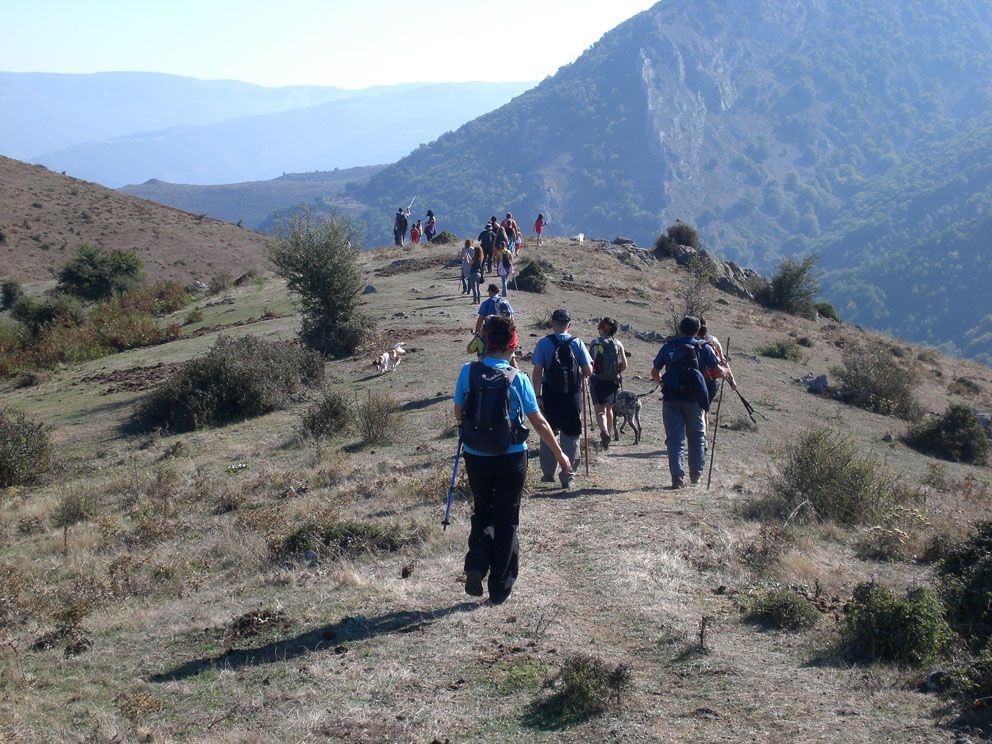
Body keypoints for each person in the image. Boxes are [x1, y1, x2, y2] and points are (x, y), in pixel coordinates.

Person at [454, 314, 572, 605]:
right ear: (513, 344)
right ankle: (499, 588)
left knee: (482, 511)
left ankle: (476, 565)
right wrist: (560, 455)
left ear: (485, 342)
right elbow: (539, 422)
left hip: (476, 455)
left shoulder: (467, 372)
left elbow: (458, 414)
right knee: (506, 519)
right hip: (511, 457)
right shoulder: (517, 378)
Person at [651, 316, 729, 488]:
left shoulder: (669, 346)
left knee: (675, 439)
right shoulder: (704, 347)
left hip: (671, 398)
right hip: (695, 399)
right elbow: (717, 372)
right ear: (697, 330)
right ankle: (696, 475)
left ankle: (677, 478)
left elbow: (655, 371)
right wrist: (724, 369)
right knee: (697, 437)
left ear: (680, 328)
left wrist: (663, 384)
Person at [531, 309, 593, 489]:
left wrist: (537, 396)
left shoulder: (544, 343)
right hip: (572, 397)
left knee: (549, 432)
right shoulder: (577, 343)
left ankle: (548, 473)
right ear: (569, 325)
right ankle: (568, 476)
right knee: (571, 436)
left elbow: (537, 372)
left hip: (551, 395)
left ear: (552, 324)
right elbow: (588, 371)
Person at [589, 317, 627, 450]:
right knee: (609, 408)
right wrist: (616, 371)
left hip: (597, 380)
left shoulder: (595, 342)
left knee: (599, 411)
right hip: (612, 381)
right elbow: (624, 365)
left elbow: (590, 363)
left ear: (602, 328)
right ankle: (608, 436)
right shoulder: (618, 343)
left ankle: (604, 431)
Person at [697, 318, 737, 404]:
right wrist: (732, 380)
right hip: (711, 380)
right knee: (704, 409)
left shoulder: (690, 340)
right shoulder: (713, 341)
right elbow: (723, 361)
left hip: (695, 379)